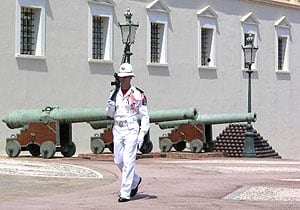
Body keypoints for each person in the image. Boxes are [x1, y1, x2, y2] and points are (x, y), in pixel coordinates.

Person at [106, 63, 150, 202]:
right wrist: (110, 107)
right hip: (118, 129)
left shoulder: (138, 94)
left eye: (126, 77)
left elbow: (144, 116)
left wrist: (141, 135)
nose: (123, 80)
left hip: (131, 130)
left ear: (131, 78)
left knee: (129, 160)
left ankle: (125, 192)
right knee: (118, 160)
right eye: (121, 77)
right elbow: (109, 115)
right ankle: (135, 180)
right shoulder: (114, 94)